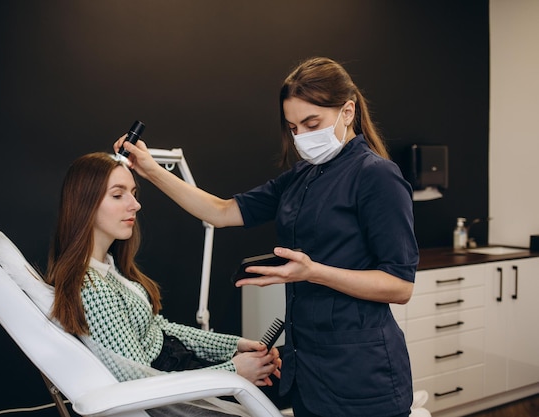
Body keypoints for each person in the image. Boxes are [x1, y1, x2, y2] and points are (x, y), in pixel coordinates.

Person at [113, 56, 419, 417]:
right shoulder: (302, 177)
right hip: (307, 368)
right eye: (293, 128)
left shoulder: (377, 177)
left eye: (312, 123)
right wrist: (149, 170)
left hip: (361, 373)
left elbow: (400, 286)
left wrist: (313, 272)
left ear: (347, 111)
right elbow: (222, 211)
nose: (302, 137)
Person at [44, 152, 280, 392]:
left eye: (134, 194)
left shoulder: (109, 269)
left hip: (179, 369)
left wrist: (235, 346)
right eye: (118, 195)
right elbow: (141, 385)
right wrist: (233, 371)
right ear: (84, 203)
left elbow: (163, 329)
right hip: (170, 390)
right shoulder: (92, 288)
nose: (135, 204)